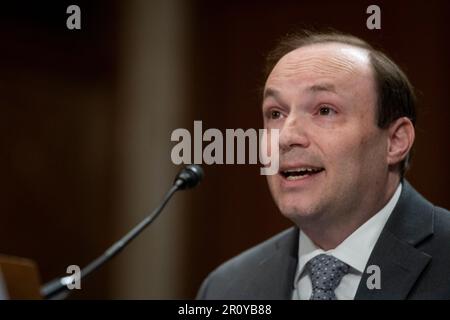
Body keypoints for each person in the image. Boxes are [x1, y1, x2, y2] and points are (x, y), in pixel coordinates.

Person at [196, 30, 450, 300]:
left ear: (395, 141)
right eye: (275, 113)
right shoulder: (227, 287)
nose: (286, 137)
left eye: (325, 110)